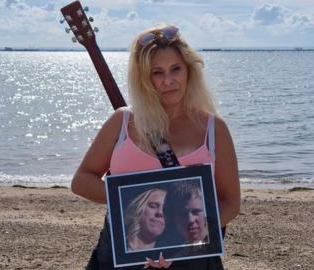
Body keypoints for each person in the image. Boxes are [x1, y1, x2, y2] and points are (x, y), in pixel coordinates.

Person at [71, 24, 240, 269]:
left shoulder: (214, 129)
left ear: (189, 70)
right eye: (157, 72)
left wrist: (187, 238)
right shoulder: (123, 122)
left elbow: (231, 202)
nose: (168, 80)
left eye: (175, 69)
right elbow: (81, 181)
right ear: (144, 79)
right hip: (121, 252)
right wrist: (131, 199)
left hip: (189, 257)